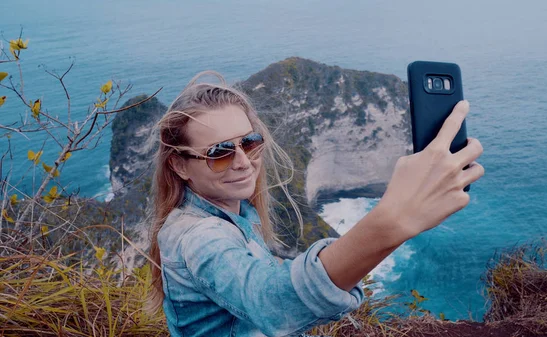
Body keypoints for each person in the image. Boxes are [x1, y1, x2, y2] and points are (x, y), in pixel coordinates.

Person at [146, 71, 484, 337]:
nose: (243, 162)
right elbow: (271, 303)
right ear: (179, 165)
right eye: (218, 153)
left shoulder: (228, 215)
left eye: (249, 143)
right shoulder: (200, 236)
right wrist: (390, 222)